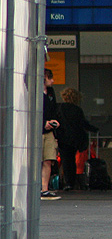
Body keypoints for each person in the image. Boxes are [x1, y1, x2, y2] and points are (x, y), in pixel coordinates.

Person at [55, 88, 98, 191]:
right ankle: (71, 182)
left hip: (63, 138)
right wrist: (95, 129)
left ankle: (67, 182)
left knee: (65, 160)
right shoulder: (77, 110)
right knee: (72, 160)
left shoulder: (59, 108)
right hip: (74, 139)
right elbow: (83, 124)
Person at [41, 68, 60, 198]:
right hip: (38, 131)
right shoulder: (35, 92)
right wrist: (43, 123)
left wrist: (54, 121)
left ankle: (44, 188)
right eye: (50, 78)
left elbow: (54, 109)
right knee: (36, 159)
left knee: (48, 159)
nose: (52, 81)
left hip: (49, 132)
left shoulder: (51, 93)